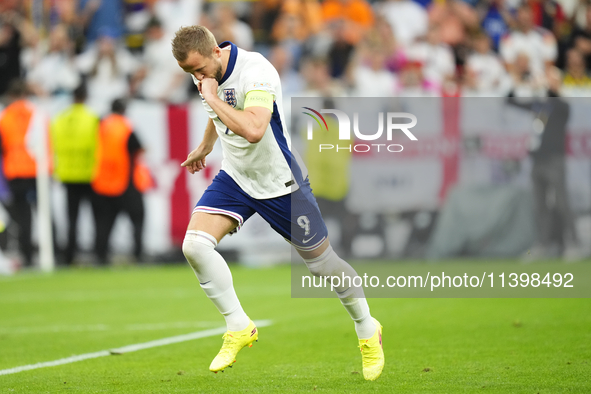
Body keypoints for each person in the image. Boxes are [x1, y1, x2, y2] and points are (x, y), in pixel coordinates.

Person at [171, 26, 384, 380]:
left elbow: (254, 129)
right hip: (237, 177)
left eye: (199, 69)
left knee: (323, 265)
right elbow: (219, 106)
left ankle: (367, 328)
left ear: (214, 51)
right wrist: (207, 145)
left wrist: (211, 98)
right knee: (194, 245)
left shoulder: (257, 71)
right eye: (190, 73)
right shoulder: (206, 73)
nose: (197, 78)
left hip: (279, 182)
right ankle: (238, 325)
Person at [91, 99, 150, 264]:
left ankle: (100, 256)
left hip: (103, 183)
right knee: (137, 221)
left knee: (103, 224)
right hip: (126, 183)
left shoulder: (100, 125)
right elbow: (137, 148)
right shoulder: (126, 127)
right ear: (124, 109)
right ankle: (138, 255)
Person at [51, 84, 99, 265]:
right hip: (89, 174)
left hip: (67, 175)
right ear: (86, 97)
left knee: (71, 218)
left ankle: (69, 256)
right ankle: (97, 254)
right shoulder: (92, 118)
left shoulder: (59, 119)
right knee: (95, 217)